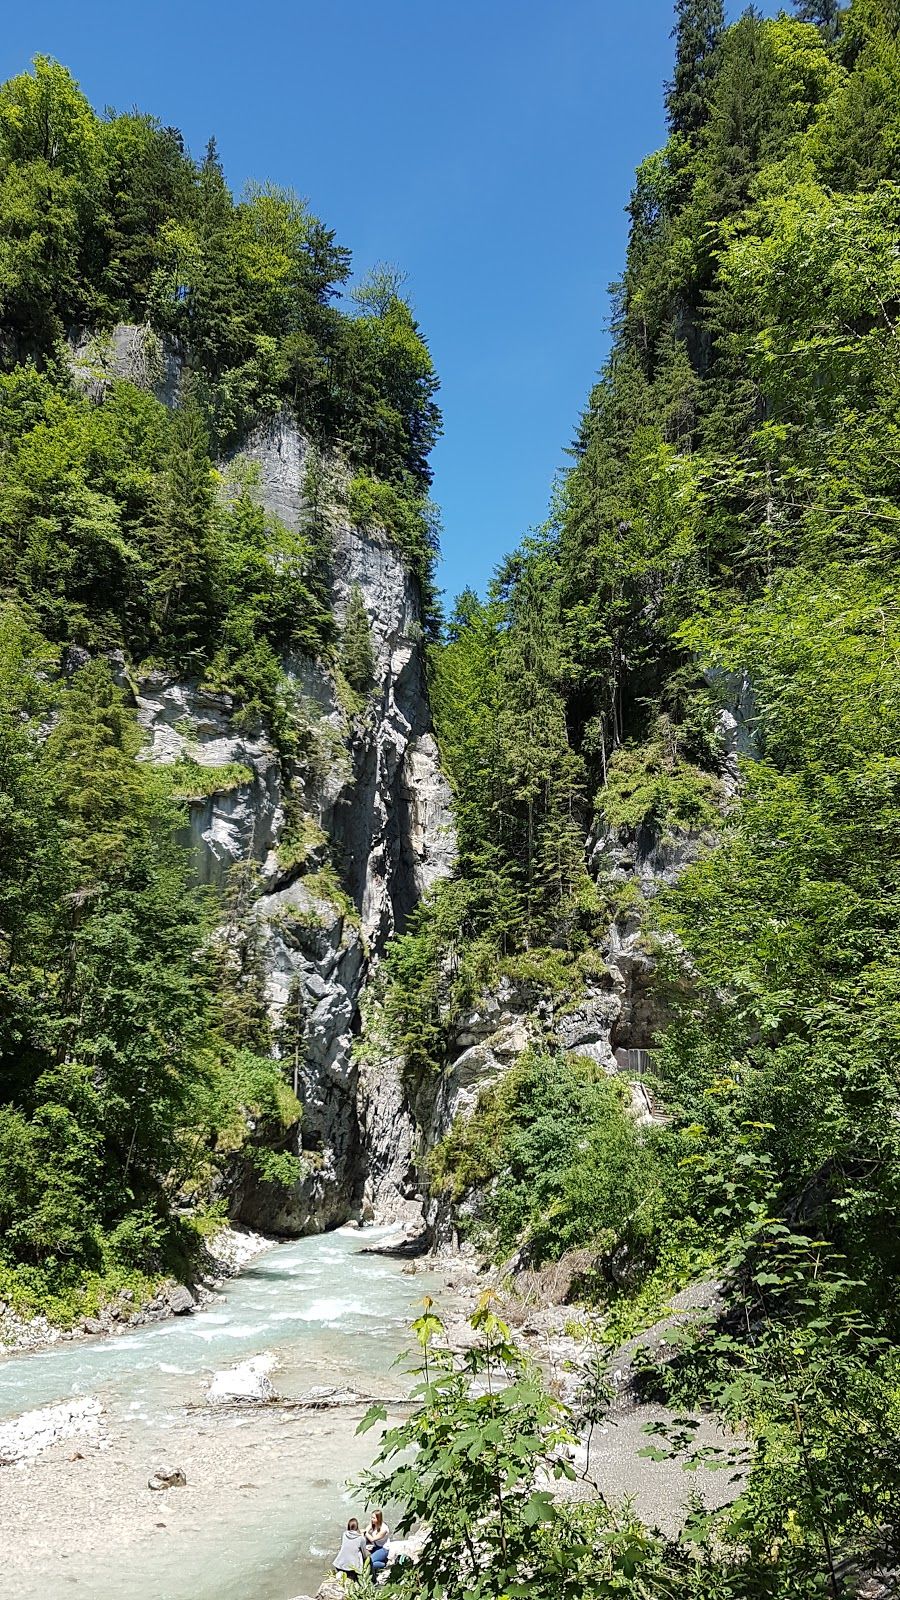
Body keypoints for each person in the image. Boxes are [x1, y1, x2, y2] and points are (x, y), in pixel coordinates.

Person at [333, 1516, 367, 1582]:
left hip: (339, 1565)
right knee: (367, 1558)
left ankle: (341, 1573)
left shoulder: (344, 1534)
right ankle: (374, 1580)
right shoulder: (361, 1539)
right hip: (352, 1569)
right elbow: (364, 1553)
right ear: (357, 1527)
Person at [365, 1508, 391, 1577]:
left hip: (384, 1549)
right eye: (371, 1517)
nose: (371, 1519)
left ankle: (384, 1564)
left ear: (378, 1519)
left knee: (370, 1563)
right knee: (364, 1558)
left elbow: (373, 1539)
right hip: (376, 1546)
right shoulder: (373, 1523)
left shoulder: (384, 1529)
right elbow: (366, 1530)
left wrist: (365, 1533)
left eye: (373, 1518)